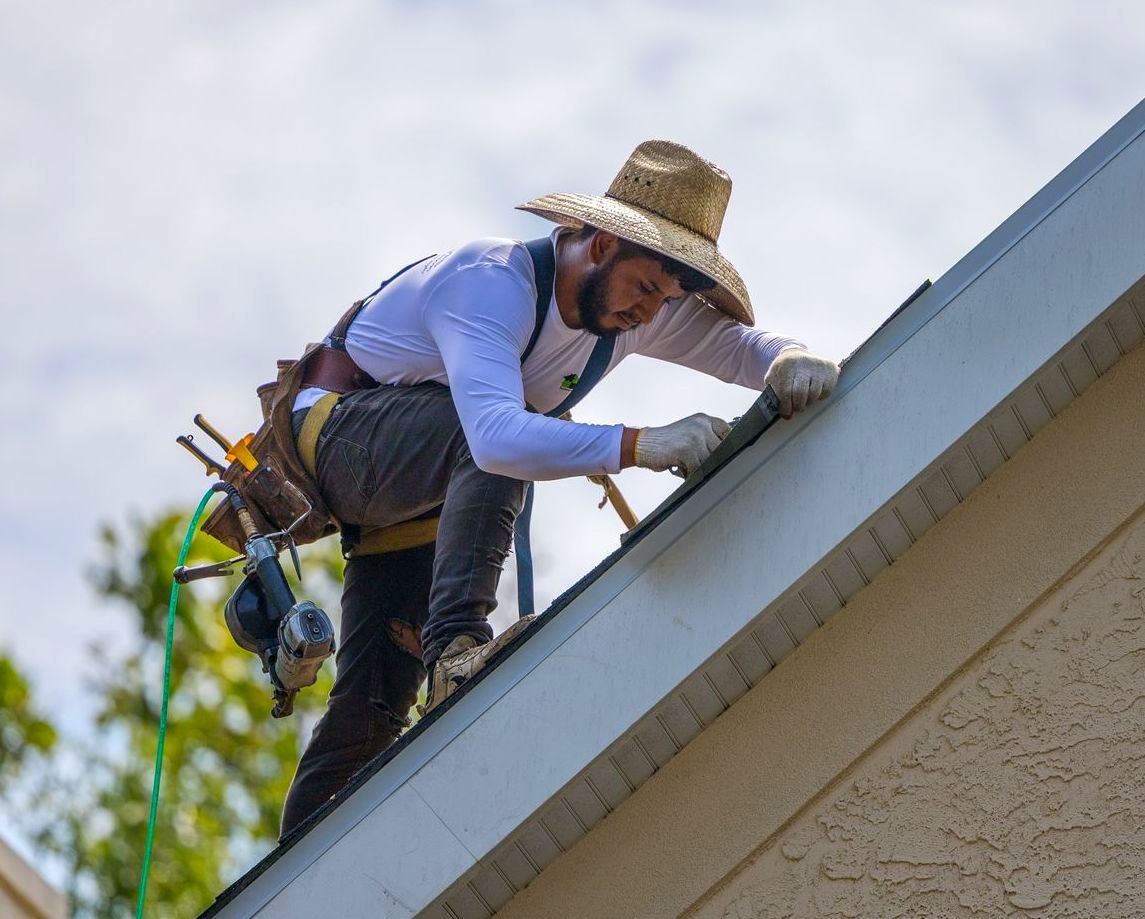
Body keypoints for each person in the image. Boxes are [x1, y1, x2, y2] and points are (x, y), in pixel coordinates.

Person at [279, 140, 839, 835]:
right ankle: (457, 651)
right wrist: (641, 443)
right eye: (645, 289)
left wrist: (789, 358)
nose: (649, 312)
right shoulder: (490, 280)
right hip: (343, 439)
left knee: (372, 708)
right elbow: (491, 436)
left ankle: (297, 867)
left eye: (666, 300)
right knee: (500, 431)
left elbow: (733, 347)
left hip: (425, 491)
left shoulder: (634, 313)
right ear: (601, 245)